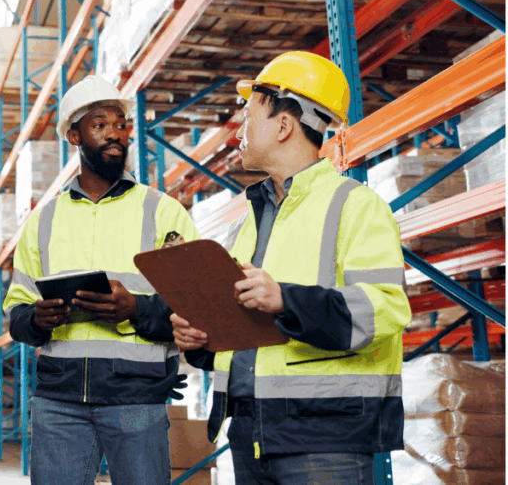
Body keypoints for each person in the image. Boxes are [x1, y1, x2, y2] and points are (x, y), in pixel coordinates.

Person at [171, 51, 411, 485]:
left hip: (325, 438)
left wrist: (286, 298)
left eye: (249, 117)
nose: (238, 132)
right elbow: (246, 334)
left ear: (283, 125)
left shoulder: (354, 206)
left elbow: (384, 310)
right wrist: (201, 340)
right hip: (249, 432)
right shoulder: (251, 220)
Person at [3, 75, 197, 485]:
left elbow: (195, 310)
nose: (114, 134)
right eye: (99, 124)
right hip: (59, 403)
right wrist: (38, 319)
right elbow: (16, 315)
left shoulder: (163, 213)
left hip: (137, 401)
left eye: (120, 124)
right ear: (74, 135)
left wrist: (136, 308)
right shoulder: (43, 221)